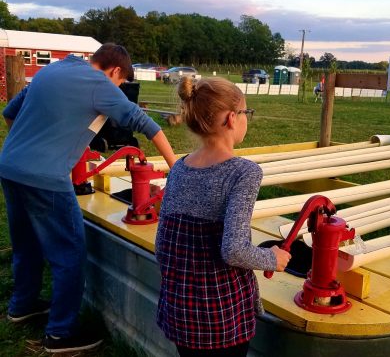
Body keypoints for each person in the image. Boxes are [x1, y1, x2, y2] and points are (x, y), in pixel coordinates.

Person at [0, 44, 177, 353]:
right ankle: (60, 334)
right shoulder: (100, 84)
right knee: (69, 253)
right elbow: (145, 125)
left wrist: (33, 146)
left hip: (10, 168)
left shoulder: (51, 69)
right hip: (47, 179)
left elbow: (9, 114)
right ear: (115, 72)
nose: (119, 90)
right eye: (121, 84)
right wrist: (178, 169)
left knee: (26, 243)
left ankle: (21, 306)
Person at [155, 77, 291, 357]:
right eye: (246, 113)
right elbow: (233, 251)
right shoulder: (243, 172)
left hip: (180, 313)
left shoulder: (179, 167)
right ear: (232, 118)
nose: (246, 119)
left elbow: (162, 245)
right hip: (221, 318)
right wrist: (272, 259)